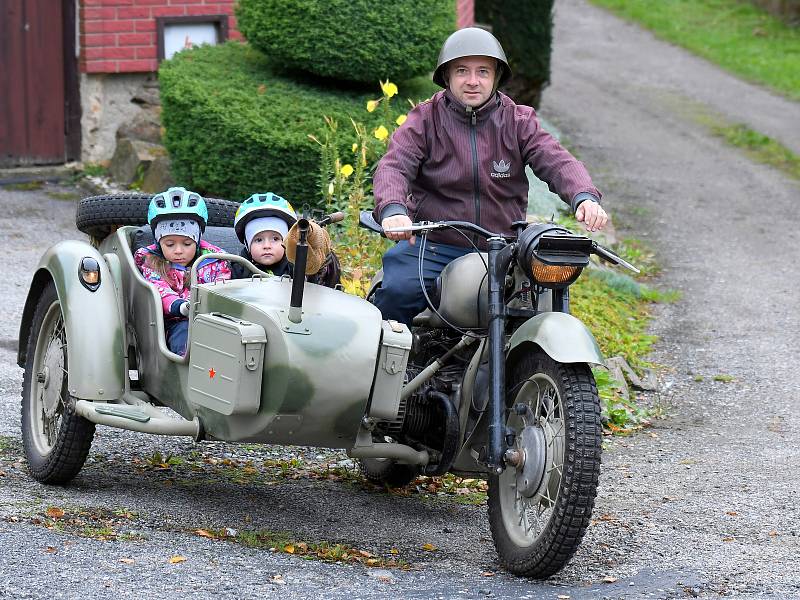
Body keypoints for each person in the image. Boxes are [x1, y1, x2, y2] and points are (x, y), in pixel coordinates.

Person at [372, 27, 609, 325]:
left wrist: (583, 196)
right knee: (396, 293)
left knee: (543, 306)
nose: (473, 81)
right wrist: (394, 210)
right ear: (446, 76)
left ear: (496, 76)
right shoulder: (425, 119)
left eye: (483, 71)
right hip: (434, 246)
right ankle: (387, 368)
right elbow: (395, 165)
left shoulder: (518, 121)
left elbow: (556, 160)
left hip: (503, 252)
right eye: (462, 71)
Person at [134, 187, 232, 356]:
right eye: (170, 244)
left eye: (187, 244)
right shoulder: (151, 262)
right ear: (158, 242)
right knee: (184, 334)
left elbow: (223, 286)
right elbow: (158, 289)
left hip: (212, 319)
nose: (178, 251)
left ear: (198, 240)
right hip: (175, 320)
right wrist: (182, 307)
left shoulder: (215, 260)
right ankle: (184, 375)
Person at [231, 192, 340, 287]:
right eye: (258, 240)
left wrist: (320, 261)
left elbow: (319, 284)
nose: (267, 245)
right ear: (247, 244)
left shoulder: (296, 264)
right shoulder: (239, 268)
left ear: (286, 241)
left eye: (275, 239)